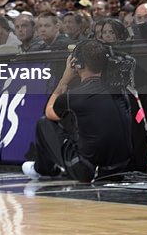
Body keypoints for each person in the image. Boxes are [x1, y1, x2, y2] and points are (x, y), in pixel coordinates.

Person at [22, 38, 132, 183]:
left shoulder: (73, 97)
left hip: (88, 171)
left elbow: (49, 111)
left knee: (44, 123)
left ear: (76, 64)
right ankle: (45, 167)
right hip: (122, 168)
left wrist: (64, 80)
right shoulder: (120, 92)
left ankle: (42, 168)